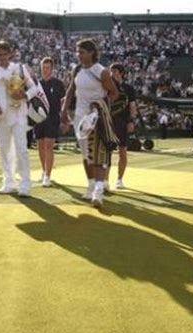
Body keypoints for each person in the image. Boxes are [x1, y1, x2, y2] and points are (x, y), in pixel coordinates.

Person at [60, 39, 119, 207]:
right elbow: (71, 90)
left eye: (82, 52)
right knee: (86, 155)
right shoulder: (76, 69)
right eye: (78, 52)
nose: (79, 55)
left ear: (92, 53)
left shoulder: (101, 72)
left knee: (98, 154)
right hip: (80, 117)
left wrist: (100, 105)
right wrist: (64, 112)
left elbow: (114, 93)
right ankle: (91, 185)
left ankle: (98, 191)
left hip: (97, 118)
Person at [0, 40, 39, 197]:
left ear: (10, 54)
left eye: (5, 54)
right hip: (1, 115)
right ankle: (8, 182)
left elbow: (34, 88)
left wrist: (24, 95)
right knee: (5, 150)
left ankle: (25, 184)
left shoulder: (19, 68)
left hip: (19, 113)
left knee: (21, 149)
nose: (2, 57)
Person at [34, 57, 66, 188]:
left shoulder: (58, 84)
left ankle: (47, 175)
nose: (45, 70)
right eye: (43, 68)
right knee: (40, 146)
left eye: (48, 68)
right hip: (38, 119)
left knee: (48, 146)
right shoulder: (36, 84)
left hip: (52, 118)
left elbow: (63, 101)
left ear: (52, 69)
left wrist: (64, 118)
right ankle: (44, 170)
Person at [105, 63, 137, 190]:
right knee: (107, 152)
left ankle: (119, 179)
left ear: (122, 74)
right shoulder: (107, 87)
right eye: (112, 72)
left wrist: (131, 121)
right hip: (109, 123)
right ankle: (105, 181)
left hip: (123, 123)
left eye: (116, 72)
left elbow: (132, 106)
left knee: (122, 152)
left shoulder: (128, 89)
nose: (113, 74)